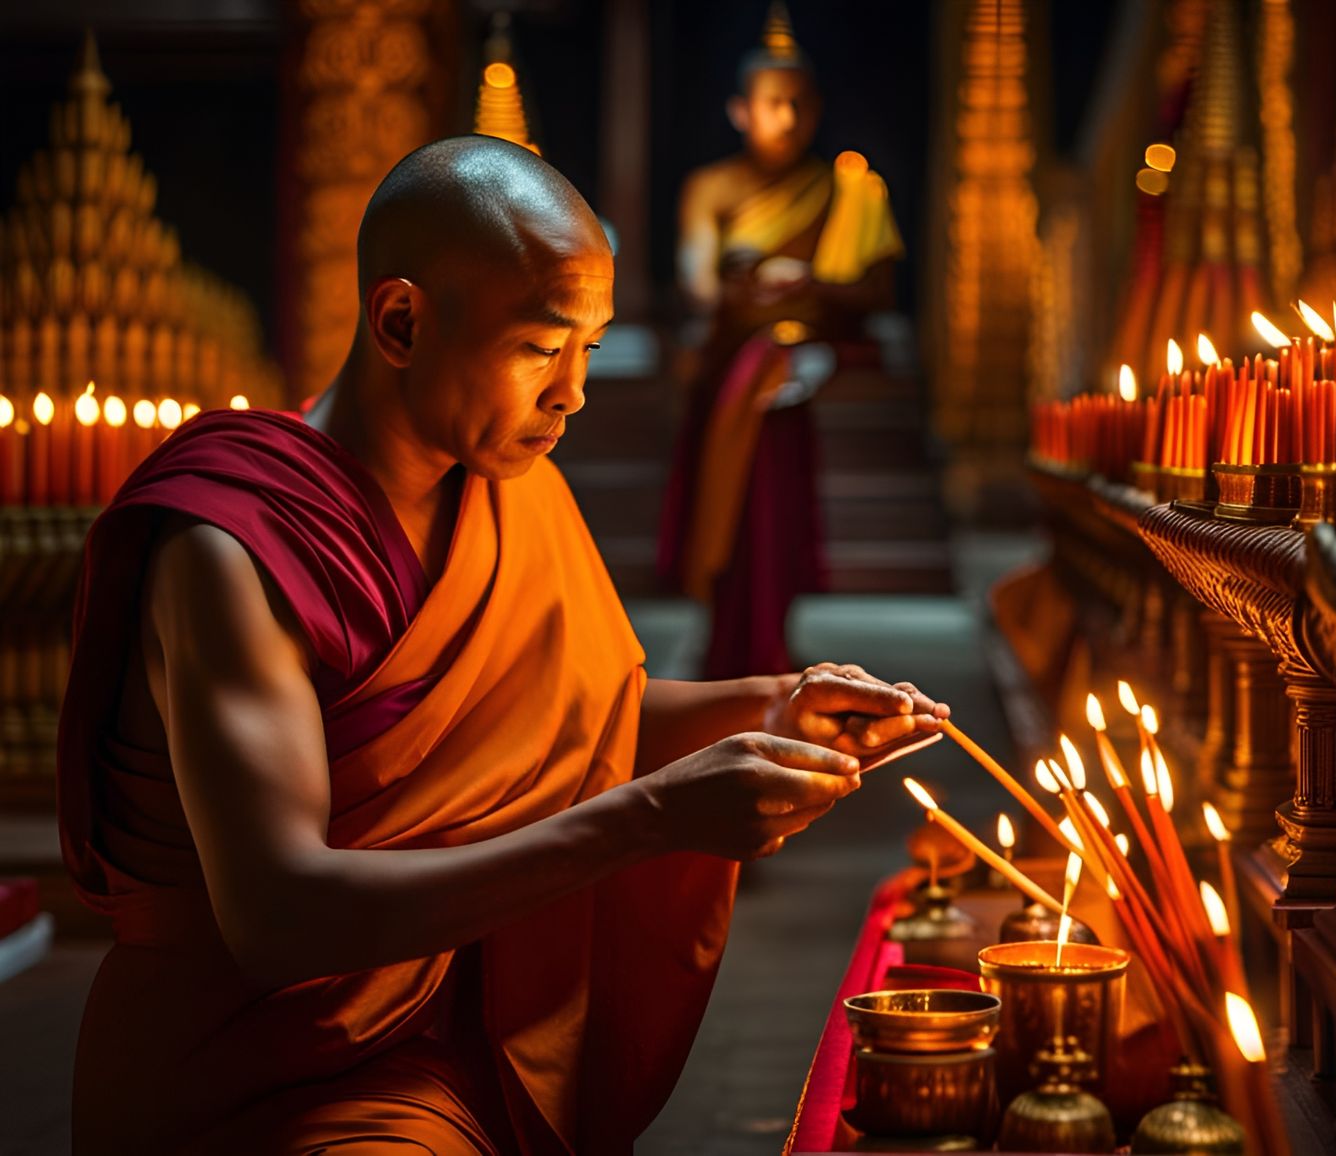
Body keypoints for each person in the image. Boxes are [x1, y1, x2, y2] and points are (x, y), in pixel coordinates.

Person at [57, 135, 945, 1155]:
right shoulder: (232, 547)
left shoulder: (513, 493)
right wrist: (648, 819)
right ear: (400, 321)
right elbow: (279, 915)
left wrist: (773, 705)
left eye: (590, 349)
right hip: (245, 1065)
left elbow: (574, 718)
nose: (570, 391)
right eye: (540, 346)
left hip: (442, 1033)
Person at [657, 2, 905, 679]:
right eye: (773, 104)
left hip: (798, 377)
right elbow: (697, 282)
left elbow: (877, 292)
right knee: (729, 521)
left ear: (817, 109)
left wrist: (815, 287)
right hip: (734, 373)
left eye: (799, 104)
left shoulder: (845, 190)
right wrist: (745, 288)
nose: (787, 119)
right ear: (741, 110)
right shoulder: (711, 187)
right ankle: (725, 644)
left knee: (777, 523)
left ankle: (771, 640)